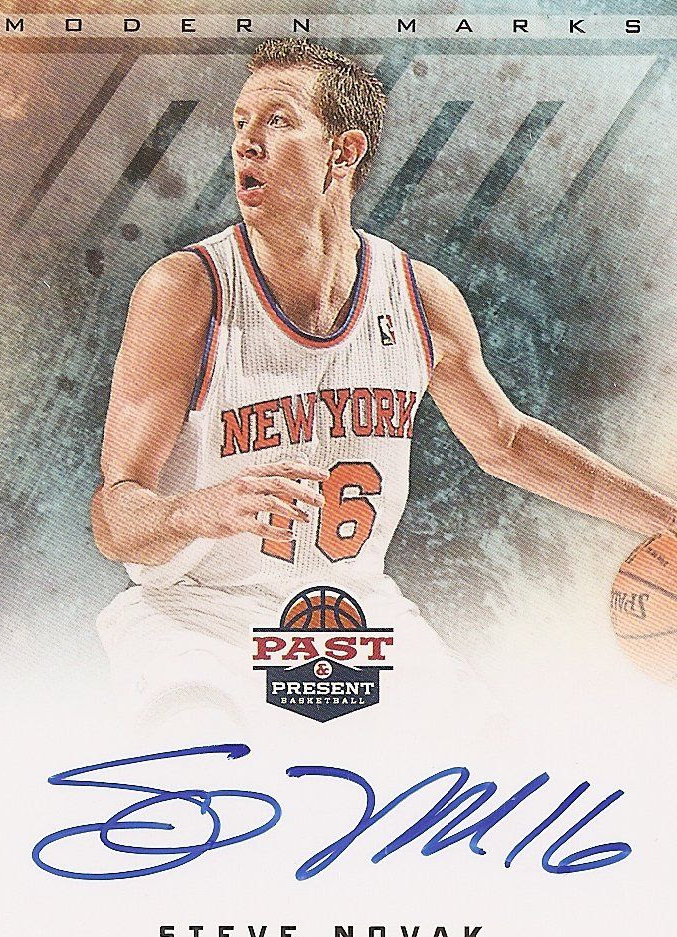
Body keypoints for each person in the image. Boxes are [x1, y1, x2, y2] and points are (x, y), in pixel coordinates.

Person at [91, 39, 676, 732]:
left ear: (343, 152)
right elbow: (115, 519)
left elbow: (509, 442)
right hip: (197, 615)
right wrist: (196, 511)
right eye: (239, 122)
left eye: (277, 119)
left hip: (351, 617)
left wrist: (668, 519)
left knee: (493, 755)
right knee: (202, 746)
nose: (246, 142)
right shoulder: (186, 289)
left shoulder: (418, 295)